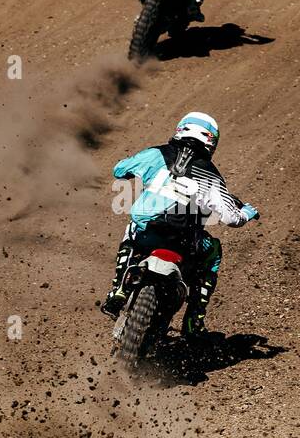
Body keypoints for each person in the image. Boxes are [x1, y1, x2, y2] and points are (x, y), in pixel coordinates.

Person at [102, 112, 260, 339]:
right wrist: (246, 212)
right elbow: (232, 219)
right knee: (213, 250)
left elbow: (118, 170)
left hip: (148, 232)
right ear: (211, 141)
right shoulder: (212, 176)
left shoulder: (156, 154)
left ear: (181, 130)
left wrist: (132, 172)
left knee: (132, 229)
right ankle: (193, 321)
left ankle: (118, 289)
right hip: (186, 242)